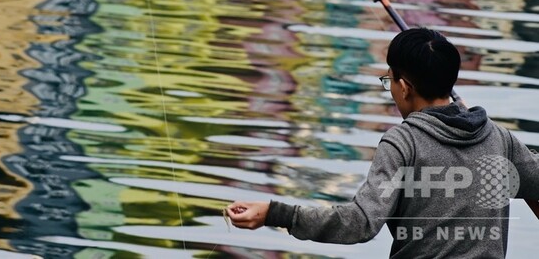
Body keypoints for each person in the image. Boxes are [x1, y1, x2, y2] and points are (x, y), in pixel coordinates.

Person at [226, 27, 539, 258]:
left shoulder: (403, 142)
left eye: (388, 80)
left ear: (404, 87)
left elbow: (360, 223)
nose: (390, 89)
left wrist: (275, 214)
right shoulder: (499, 139)